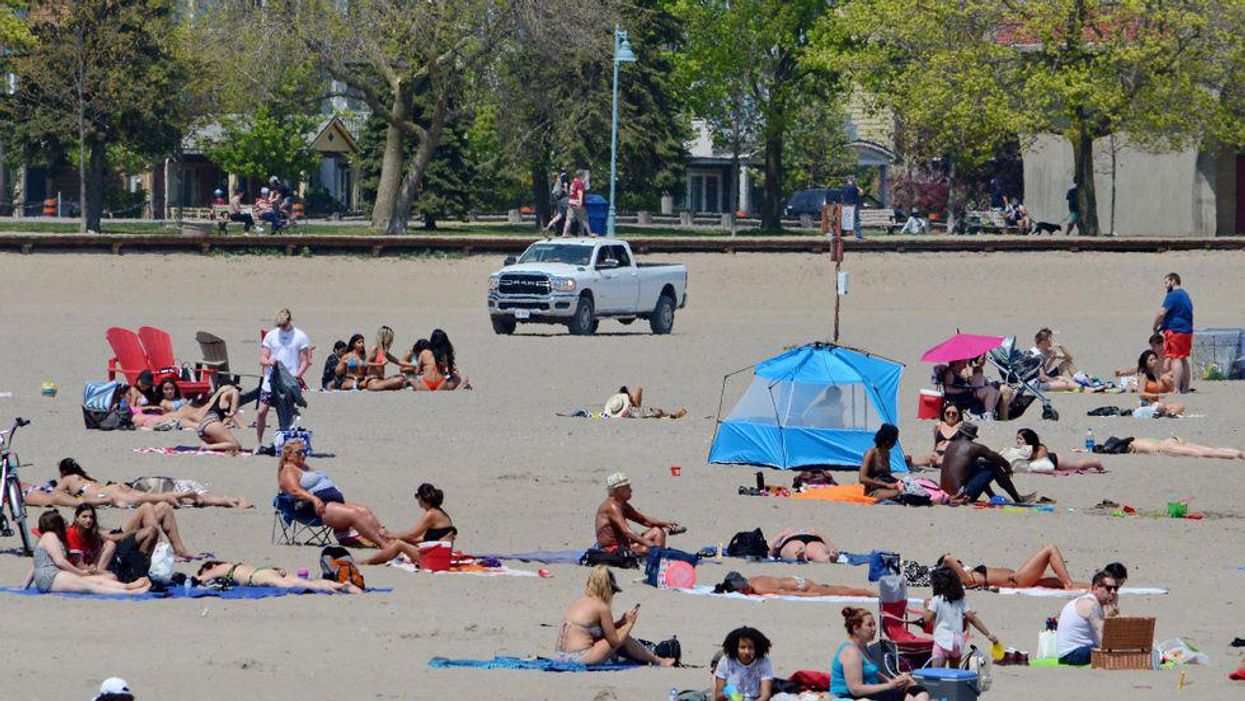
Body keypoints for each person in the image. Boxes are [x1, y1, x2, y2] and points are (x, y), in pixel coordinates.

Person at [277, 439, 393, 548]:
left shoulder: (303, 466)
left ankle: (388, 538)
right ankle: (384, 544)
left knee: (364, 511)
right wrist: (315, 499)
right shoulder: (288, 470)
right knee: (355, 514)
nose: (303, 455)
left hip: (329, 503)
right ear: (288, 455)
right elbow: (294, 490)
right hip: (313, 509)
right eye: (299, 452)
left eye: (305, 451)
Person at [553, 566, 675, 666]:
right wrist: (629, 624)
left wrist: (621, 622)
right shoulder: (601, 607)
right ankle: (657, 661)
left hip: (560, 657)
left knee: (620, 632)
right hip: (579, 658)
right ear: (607, 588)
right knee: (623, 637)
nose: (613, 594)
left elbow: (601, 632)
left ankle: (654, 659)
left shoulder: (580, 602)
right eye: (613, 590)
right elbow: (615, 641)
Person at [22, 511, 151, 595]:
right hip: (50, 578)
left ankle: (127, 586)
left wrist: (24, 587)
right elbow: (59, 561)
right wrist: (80, 573)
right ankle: (130, 592)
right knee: (89, 586)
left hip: (51, 577)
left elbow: (35, 565)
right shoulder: (50, 536)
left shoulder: (46, 538)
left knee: (97, 581)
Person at [831, 607, 930, 701]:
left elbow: (875, 673)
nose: (874, 629)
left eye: (874, 624)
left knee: (919, 691)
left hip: (871, 692)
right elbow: (855, 690)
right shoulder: (851, 652)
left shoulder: (863, 647)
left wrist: (897, 681)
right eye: (869, 625)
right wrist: (890, 685)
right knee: (904, 697)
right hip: (851, 697)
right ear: (856, 629)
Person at [940, 423, 1035, 505]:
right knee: (993, 467)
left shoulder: (950, 446)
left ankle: (992, 496)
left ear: (959, 433)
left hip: (944, 494)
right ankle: (1018, 499)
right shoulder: (974, 447)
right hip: (962, 495)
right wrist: (1008, 468)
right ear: (972, 437)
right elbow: (998, 458)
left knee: (979, 465)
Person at [256, 308, 310, 449]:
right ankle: (258, 443)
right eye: (279, 326)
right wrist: (269, 362)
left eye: (284, 325)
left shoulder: (300, 336)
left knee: (285, 415)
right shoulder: (271, 335)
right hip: (270, 380)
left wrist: (297, 376)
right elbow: (262, 358)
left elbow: (305, 361)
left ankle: (284, 445)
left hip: (288, 381)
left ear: (289, 321)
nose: (281, 328)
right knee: (261, 411)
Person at [922, 567, 998, 667]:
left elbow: (926, 620)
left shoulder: (936, 600)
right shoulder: (960, 599)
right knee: (955, 672)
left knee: (936, 673)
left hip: (942, 639)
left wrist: (927, 606)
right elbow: (972, 618)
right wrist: (988, 634)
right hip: (957, 641)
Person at [594, 472, 682, 556]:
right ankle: (658, 555)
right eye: (627, 487)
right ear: (618, 490)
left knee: (657, 531)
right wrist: (649, 543)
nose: (631, 490)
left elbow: (643, 520)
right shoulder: (612, 506)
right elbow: (627, 532)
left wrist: (665, 524)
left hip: (625, 544)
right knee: (646, 549)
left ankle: (658, 555)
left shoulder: (622, 504)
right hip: (613, 549)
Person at [937, 544, 1087, 590]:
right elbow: (948, 559)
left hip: (1020, 577)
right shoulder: (966, 578)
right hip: (1018, 580)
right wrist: (946, 562)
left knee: (1058, 584)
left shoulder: (969, 572)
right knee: (1049, 549)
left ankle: (1095, 586)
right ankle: (1069, 585)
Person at [55, 458, 190, 508]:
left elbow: (56, 493)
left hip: (108, 492)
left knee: (141, 499)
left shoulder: (67, 479)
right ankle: (182, 495)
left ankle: (168, 497)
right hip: (113, 486)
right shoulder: (84, 476)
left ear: (64, 471)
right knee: (142, 496)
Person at [1055, 570, 1119, 665]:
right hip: (1073, 654)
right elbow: (1104, 638)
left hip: (1070, 653)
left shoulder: (1089, 602)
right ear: (1095, 588)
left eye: (1115, 588)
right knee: (1113, 650)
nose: (1113, 592)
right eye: (1109, 588)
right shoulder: (1090, 605)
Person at [196, 560, 360, 594]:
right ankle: (341, 585)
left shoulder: (221, 568)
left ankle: (330, 589)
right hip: (266, 569)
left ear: (212, 566)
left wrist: (202, 578)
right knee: (303, 581)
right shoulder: (236, 565)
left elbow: (199, 580)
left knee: (295, 586)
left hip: (258, 576)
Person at [1153, 272, 1193, 393]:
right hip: (1187, 331)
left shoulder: (1173, 295)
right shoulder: (1186, 295)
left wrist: (1154, 327)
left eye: (1166, 282)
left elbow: (1161, 313)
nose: (1165, 286)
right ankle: (1185, 388)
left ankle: (1176, 388)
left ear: (1173, 281)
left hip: (1175, 331)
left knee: (1176, 359)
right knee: (1183, 359)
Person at [714, 626, 774, 701]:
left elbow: (765, 695)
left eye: (751, 648)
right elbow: (718, 697)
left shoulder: (763, 662)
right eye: (742, 647)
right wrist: (730, 693)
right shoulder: (725, 661)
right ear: (736, 648)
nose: (747, 652)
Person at [713, 571, 873, 598]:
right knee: (836, 589)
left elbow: (784, 593)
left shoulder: (759, 588)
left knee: (838, 592)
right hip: (795, 581)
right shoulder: (753, 580)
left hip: (800, 585)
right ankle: (865, 592)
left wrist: (809, 596)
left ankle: (868, 593)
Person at [390, 483, 457, 545]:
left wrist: (389, 535)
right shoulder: (439, 512)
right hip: (440, 551)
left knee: (399, 545)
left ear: (421, 498)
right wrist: (397, 538)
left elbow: (411, 535)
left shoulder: (431, 514)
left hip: (436, 554)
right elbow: (421, 538)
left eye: (417, 496)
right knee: (398, 543)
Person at [942, 359, 1008, 420]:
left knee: (997, 392)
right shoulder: (950, 372)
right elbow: (948, 389)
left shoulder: (960, 368)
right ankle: (987, 414)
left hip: (969, 392)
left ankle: (989, 414)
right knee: (990, 391)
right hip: (960, 396)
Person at [1015, 428, 1105, 473]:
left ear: (1028, 440)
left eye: (1020, 439)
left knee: (1077, 466)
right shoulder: (1022, 449)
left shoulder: (1040, 449)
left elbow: (1042, 465)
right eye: (1017, 438)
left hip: (1056, 461)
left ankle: (1095, 463)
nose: (1018, 441)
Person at [190, 383, 243, 452]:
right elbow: (235, 392)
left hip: (204, 425)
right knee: (235, 445)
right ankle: (206, 447)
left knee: (226, 444)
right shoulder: (229, 393)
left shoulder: (217, 399)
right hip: (211, 421)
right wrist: (233, 411)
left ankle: (208, 445)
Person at [1134, 349, 1184, 418]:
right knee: (1162, 406)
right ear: (1146, 363)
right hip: (1146, 403)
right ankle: (1162, 413)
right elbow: (1141, 394)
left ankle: (1163, 414)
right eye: (1151, 360)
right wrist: (1156, 395)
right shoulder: (1144, 376)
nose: (1154, 361)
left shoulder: (1155, 373)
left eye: (1155, 359)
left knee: (1180, 406)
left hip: (1155, 403)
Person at [859, 424, 903, 500]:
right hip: (874, 490)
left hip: (887, 485)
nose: (895, 444)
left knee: (909, 487)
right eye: (894, 441)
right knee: (899, 494)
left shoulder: (886, 453)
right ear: (887, 441)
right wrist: (886, 485)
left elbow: (886, 476)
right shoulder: (871, 453)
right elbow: (862, 478)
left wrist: (899, 481)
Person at [364, 325, 408, 391]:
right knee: (399, 380)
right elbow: (365, 363)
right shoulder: (375, 349)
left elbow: (398, 362)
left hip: (381, 380)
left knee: (401, 377)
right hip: (373, 381)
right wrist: (380, 364)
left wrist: (413, 366)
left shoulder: (384, 352)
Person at [1126, 437, 1245, 460]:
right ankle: (1238, 453)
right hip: (1170, 439)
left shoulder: (1132, 446)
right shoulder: (1136, 440)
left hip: (1165, 446)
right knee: (1210, 449)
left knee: (1204, 453)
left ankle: (1234, 455)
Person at [602, 385, 685, 418]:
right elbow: (652, 413)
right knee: (658, 412)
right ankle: (675, 415)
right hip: (638, 413)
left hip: (631, 410)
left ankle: (673, 415)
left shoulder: (612, 410)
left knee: (638, 389)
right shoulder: (632, 411)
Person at [768, 528, 837, 562]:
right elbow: (768, 551)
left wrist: (782, 534)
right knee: (816, 549)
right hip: (813, 537)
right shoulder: (813, 530)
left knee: (795, 546)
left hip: (792, 538)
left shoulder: (788, 531)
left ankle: (799, 556)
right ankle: (826, 559)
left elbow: (768, 550)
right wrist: (832, 549)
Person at [562, 169, 592, 237]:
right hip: (577, 203)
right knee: (584, 219)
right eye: (583, 176)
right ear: (581, 176)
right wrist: (580, 203)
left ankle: (564, 233)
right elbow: (580, 193)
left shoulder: (573, 183)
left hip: (571, 202)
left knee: (568, 219)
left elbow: (571, 192)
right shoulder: (579, 183)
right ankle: (589, 233)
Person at [843, 175, 864, 240]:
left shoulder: (844, 187)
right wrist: (858, 186)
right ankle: (858, 235)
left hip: (846, 205)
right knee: (856, 220)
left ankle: (842, 233)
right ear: (852, 180)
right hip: (854, 205)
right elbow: (862, 193)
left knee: (846, 220)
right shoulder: (854, 187)